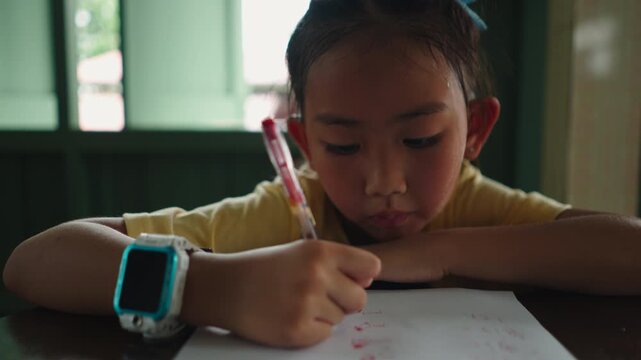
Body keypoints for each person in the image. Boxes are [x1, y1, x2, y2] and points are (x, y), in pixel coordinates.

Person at [4, 0, 641, 349]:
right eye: (342, 144)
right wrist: (206, 288)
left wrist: (439, 251)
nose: (385, 180)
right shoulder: (283, 214)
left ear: (476, 129)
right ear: (303, 143)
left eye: (420, 139)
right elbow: (36, 261)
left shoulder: (475, 207)